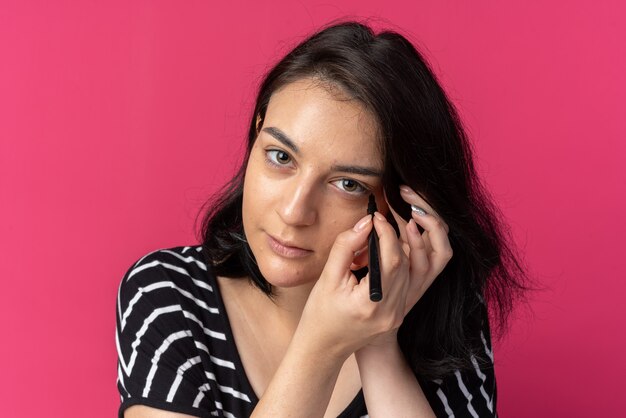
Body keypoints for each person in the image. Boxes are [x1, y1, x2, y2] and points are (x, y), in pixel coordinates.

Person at [116, 21, 526, 418]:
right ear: (256, 134)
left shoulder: (446, 315)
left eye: (348, 184)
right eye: (280, 157)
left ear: (402, 208)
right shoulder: (167, 293)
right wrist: (320, 345)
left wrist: (379, 342)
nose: (295, 212)